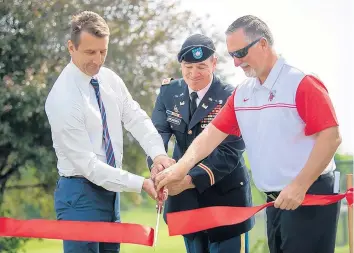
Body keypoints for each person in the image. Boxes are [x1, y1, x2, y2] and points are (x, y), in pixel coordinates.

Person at [155, 15, 342, 253]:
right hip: (276, 200)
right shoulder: (243, 93)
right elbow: (211, 135)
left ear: (263, 44)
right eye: (232, 55)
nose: (235, 62)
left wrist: (299, 185)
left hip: (309, 195)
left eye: (241, 53)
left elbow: (331, 136)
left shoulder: (301, 83)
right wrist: (180, 169)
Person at [45, 11, 174, 253]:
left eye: (103, 51)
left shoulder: (110, 80)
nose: (98, 60)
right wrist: (141, 183)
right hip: (79, 196)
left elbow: (135, 117)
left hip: (111, 194)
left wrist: (159, 155)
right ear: (71, 47)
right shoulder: (63, 98)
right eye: (90, 52)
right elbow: (90, 167)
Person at [147, 34, 254, 253]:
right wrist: (158, 165)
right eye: (188, 66)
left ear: (214, 63)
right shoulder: (168, 93)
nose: (194, 74)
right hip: (185, 201)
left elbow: (230, 151)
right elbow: (157, 134)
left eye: (202, 67)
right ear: (181, 65)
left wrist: (187, 179)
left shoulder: (231, 96)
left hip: (224, 194)